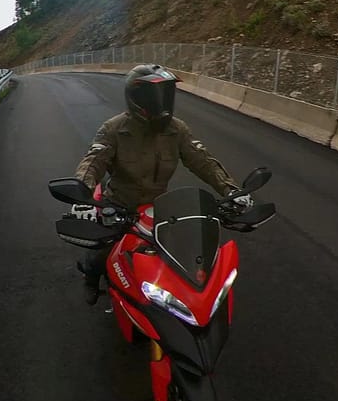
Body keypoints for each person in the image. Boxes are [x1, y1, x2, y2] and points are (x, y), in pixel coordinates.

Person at [71, 64, 252, 304]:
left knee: (185, 256)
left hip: (160, 208)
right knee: (101, 250)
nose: (162, 102)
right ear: (135, 98)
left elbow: (204, 162)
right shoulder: (113, 129)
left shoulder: (177, 130)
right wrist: (80, 196)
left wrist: (232, 190)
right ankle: (91, 280)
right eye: (153, 96)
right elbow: (92, 162)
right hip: (120, 205)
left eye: (166, 94)